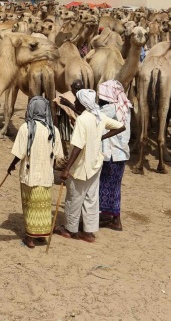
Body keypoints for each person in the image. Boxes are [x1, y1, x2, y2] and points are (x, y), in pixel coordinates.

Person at [54, 89, 125, 243]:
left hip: (81, 166)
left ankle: (69, 229)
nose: (75, 103)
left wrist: (66, 169)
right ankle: (88, 232)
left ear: (83, 102)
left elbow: (78, 146)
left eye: (77, 101)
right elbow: (121, 127)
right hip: (95, 164)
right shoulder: (99, 116)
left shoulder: (82, 120)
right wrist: (100, 137)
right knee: (91, 199)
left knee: (74, 197)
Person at [7, 96, 64, 248]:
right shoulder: (54, 130)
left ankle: (30, 238)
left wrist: (11, 166)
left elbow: (19, 153)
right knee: (44, 206)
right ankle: (41, 236)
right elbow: (59, 156)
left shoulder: (26, 128)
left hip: (30, 175)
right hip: (46, 176)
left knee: (30, 204)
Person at [98, 79, 132, 231]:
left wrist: (70, 105)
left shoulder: (111, 109)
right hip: (121, 155)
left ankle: (115, 219)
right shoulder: (124, 107)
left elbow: (94, 116)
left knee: (105, 185)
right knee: (114, 187)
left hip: (112, 155)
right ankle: (109, 216)